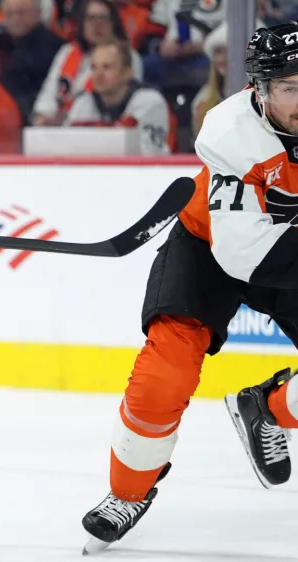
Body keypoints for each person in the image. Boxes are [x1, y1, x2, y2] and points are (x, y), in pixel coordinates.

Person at [80, 21, 298, 554]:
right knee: (164, 374)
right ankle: (128, 493)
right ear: (261, 89)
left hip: (286, 251)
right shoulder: (230, 133)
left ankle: (267, 407)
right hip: (212, 248)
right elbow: (242, 254)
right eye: (293, 88)